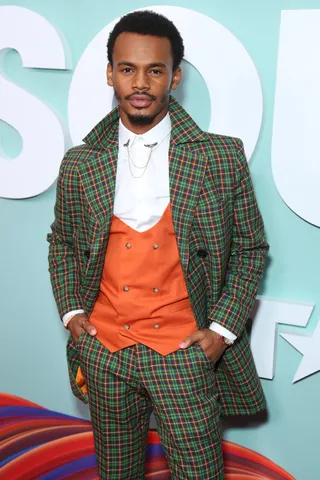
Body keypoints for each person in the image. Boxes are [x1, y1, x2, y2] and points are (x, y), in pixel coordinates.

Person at [47, 10, 269, 480]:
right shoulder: (79, 163)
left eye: (155, 69)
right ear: (111, 73)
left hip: (184, 354)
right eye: (127, 69)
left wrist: (220, 334)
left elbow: (250, 250)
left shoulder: (219, 156)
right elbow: (63, 242)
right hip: (104, 351)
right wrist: (72, 315)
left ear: (176, 76)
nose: (141, 82)